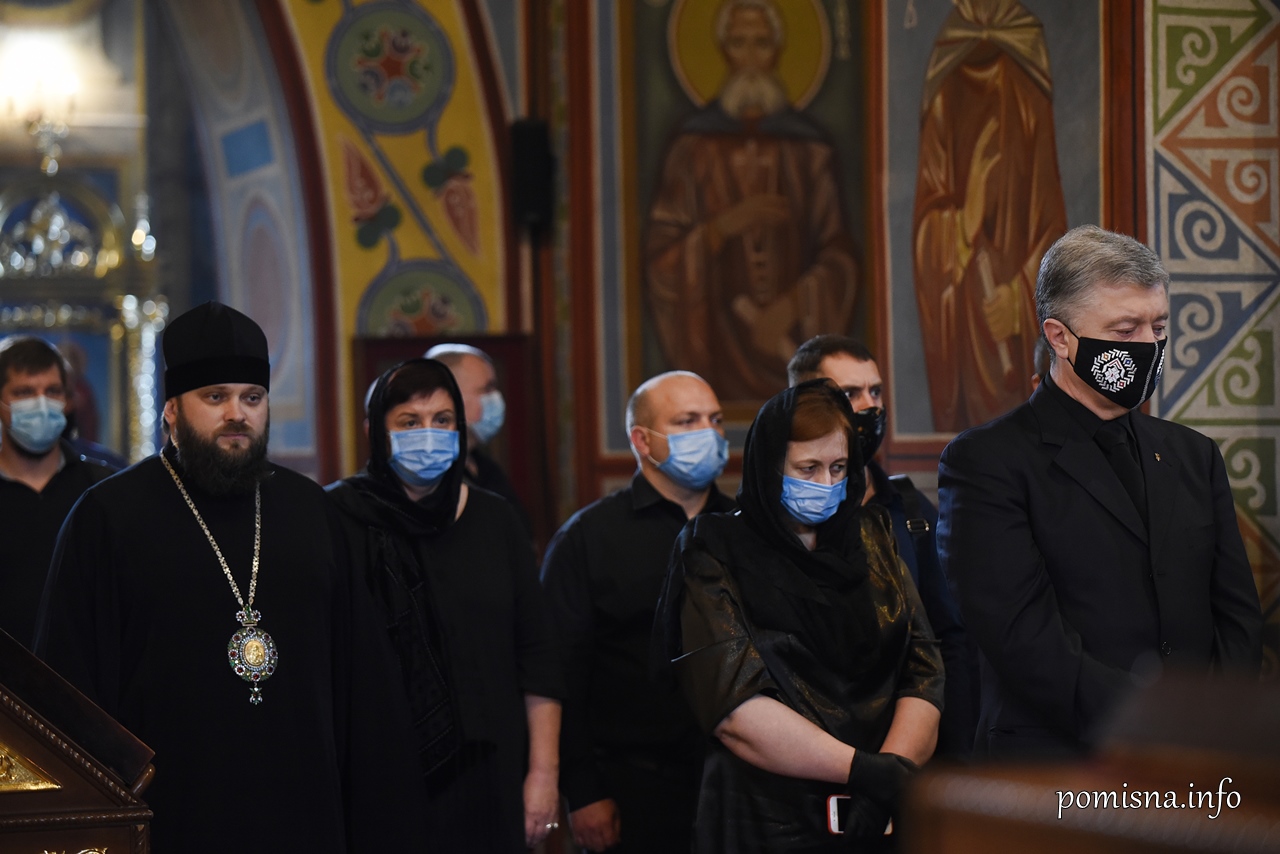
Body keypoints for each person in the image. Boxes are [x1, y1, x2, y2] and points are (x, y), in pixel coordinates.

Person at [35, 301, 428, 852]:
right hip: (171, 818)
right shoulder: (108, 517)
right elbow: (69, 698)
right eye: (215, 397)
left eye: (252, 397)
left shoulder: (311, 512)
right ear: (172, 409)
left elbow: (363, 690)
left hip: (304, 812)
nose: (237, 414)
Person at [938, 225, 1264, 758]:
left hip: (1199, 759)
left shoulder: (1194, 455)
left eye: (1159, 326)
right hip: (1059, 764)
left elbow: (1237, 618)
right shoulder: (986, 462)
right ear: (1060, 337)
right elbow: (1022, 639)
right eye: (1125, 330)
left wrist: (1214, 721)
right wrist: (1155, 720)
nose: (1150, 346)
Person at [656, 380, 943, 852]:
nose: (826, 484)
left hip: (880, 808)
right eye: (807, 468)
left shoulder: (873, 536)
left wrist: (890, 774)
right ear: (769, 465)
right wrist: (862, 770)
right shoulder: (713, 548)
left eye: (838, 468)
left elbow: (923, 668)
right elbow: (733, 704)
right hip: (765, 818)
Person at [326, 357, 563, 852]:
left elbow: (537, 657)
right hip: (379, 778)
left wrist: (543, 775)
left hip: (491, 774)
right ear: (375, 432)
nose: (428, 435)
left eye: (442, 419)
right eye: (409, 422)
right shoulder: (337, 519)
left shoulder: (496, 519)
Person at [542, 371, 734, 853]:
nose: (708, 433)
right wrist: (583, 791)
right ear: (642, 441)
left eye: (715, 420)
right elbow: (561, 673)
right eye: (687, 421)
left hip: (738, 783)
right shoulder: (587, 538)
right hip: (632, 787)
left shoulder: (745, 529)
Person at [644, 0, 858, 401]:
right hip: (719, 344)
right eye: (739, 43)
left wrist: (792, 305)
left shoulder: (810, 150)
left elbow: (839, 256)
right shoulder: (691, 150)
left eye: (761, 43)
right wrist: (721, 228)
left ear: (777, 51)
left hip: (788, 343)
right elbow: (662, 262)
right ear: (724, 51)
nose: (750, 59)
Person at [788, 335, 977, 755]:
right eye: (850, 393)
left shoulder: (908, 507)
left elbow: (949, 636)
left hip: (915, 743)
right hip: (812, 749)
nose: (870, 406)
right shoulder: (792, 512)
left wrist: (959, 753)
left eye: (875, 391)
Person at [912, 0, 1067, 431]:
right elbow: (926, 229)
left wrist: (1019, 300)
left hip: (1011, 325)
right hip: (965, 310)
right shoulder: (946, 75)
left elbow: (1050, 218)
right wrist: (966, 219)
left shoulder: (1027, 69)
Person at [0, 336, 114, 647]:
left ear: (68, 400)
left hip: (82, 672)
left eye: (52, 391)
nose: (41, 404)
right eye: (24, 392)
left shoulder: (104, 489)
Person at [426, 342, 533, 535]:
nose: (496, 398)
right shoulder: (428, 477)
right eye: (487, 389)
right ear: (450, 397)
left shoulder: (487, 468)